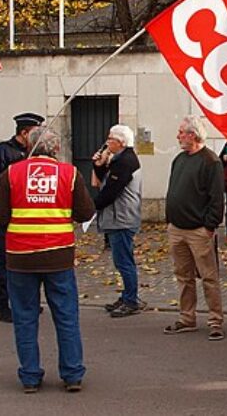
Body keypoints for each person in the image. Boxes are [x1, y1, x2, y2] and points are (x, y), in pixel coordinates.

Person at [0, 126, 95, 393]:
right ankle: (72, 374)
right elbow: (85, 212)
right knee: (66, 316)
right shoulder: (70, 174)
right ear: (56, 148)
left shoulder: (11, 174)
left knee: (25, 317)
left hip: (21, 257)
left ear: (29, 146)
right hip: (58, 256)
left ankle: (30, 377)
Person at [163, 116, 225, 341]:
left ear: (193, 134)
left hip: (199, 230)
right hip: (176, 228)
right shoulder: (179, 159)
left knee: (209, 277)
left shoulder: (211, 161)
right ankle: (187, 317)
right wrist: (169, 219)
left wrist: (209, 226)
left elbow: (217, 198)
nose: (178, 136)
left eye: (181, 132)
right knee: (183, 275)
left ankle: (215, 320)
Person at [0, 112, 45, 323]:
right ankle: (2, 305)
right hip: (7, 216)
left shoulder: (34, 153)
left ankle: (27, 303)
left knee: (28, 262)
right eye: (36, 133)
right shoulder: (3, 152)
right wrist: (11, 192)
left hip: (28, 218)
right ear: (24, 132)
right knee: (5, 262)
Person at [92, 125, 144, 318]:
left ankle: (131, 300)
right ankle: (127, 295)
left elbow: (110, 191)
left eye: (110, 139)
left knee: (124, 261)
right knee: (120, 260)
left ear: (121, 142)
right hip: (117, 217)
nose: (107, 143)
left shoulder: (125, 162)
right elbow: (102, 181)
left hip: (122, 218)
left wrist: (91, 207)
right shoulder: (119, 160)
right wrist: (99, 165)